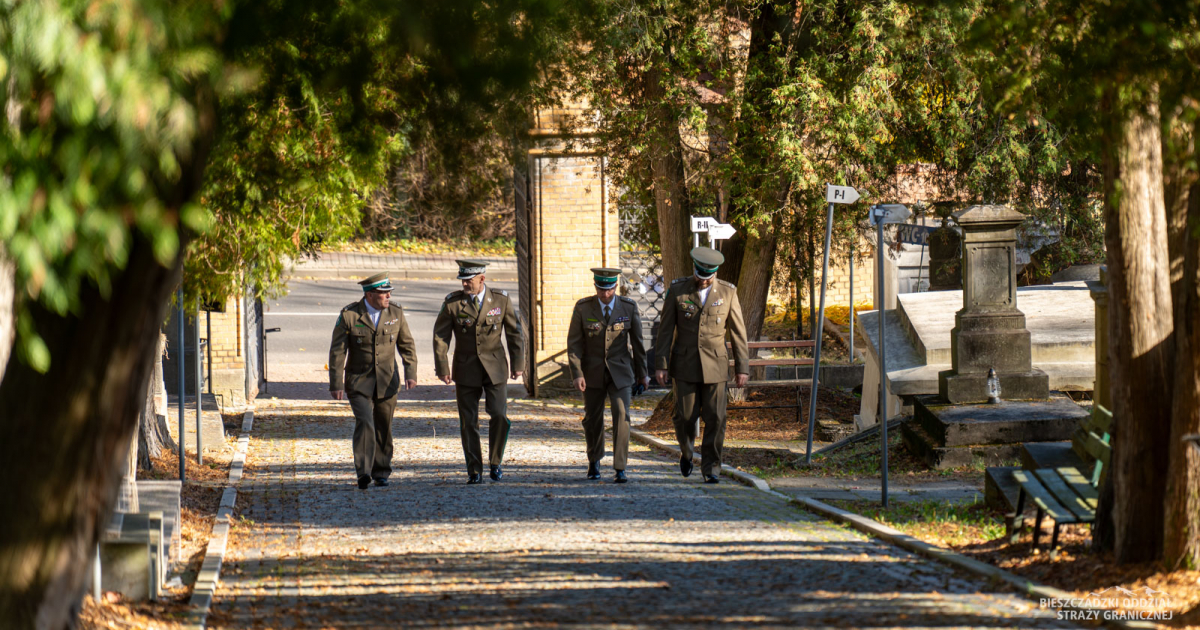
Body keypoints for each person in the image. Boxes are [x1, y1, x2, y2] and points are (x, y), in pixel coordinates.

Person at [655, 247, 750, 484]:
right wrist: (661, 364)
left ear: (715, 274)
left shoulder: (728, 293)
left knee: (716, 418)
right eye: (700, 275)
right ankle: (687, 452)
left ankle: (711, 468)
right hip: (685, 364)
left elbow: (738, 332)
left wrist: (742, 367)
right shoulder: (678, 290)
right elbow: (665, 330)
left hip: (716, 366)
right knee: (684, 416)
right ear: (694, 270)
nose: (703, 280)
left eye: (708, 277)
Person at [433, 260, 525, 484]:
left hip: (495, 368)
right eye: (463, 280)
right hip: (466, 369)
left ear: (482, 279)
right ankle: (474, 469)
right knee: (468, 421)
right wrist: (442, 367)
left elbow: (515, 333)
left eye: (469, 280)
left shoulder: (501, 300)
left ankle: (495, 462)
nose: (465, 283)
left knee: (499, 415)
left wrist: (518, 364)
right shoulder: (453, 303)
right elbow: (440, 337)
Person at [328, 272, 418, 490]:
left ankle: (381, 471)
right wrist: (336, 383)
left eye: (389, 292)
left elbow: (407, 344)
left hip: (387, 381)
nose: (388, 296)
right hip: (358, 382)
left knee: (383, 426)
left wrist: (410, 372)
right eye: (383, 293)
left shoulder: (395, 313)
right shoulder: (350, 315)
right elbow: (337, 352)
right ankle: (363, 472)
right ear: (369, 295)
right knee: (365, 422)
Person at [566, 268, 649, 483]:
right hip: (592, 371)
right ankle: (594, 459)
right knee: (593, 418)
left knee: (622, 416)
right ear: (596, 287)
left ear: (616, 287)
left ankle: (620, 466)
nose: (606, 294)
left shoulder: (628, 307)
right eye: (602, 290)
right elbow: (573, 344)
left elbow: (638, 344)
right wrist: (577, 373)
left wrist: (643, 375)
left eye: (610, 289)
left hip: (620, 372)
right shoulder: (583, 308)